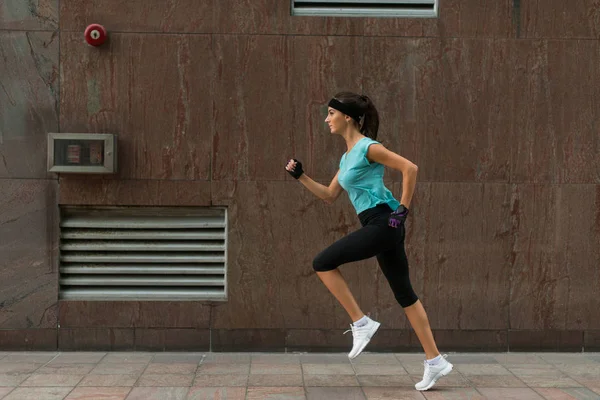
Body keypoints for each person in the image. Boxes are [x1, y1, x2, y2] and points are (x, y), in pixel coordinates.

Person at [285, 92, 452, 391]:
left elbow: (409, 168)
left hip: (384, 222)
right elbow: (329, 195)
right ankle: (435, 360)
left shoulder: (368, 148)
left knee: (322, 262)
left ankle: (361, 323)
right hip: (379, 224)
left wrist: (402, 211)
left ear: (347, 117)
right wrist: (300, 176)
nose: (327, 119)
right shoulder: (347, 156)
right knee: (405, 295)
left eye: (331, 113)